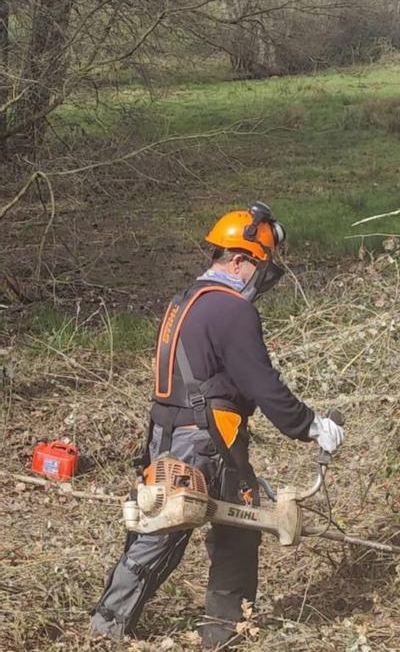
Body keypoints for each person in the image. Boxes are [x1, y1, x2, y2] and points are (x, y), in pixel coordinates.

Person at [91, 202, 345, 647]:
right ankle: (128, 630)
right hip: (206, 442)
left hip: (170, 433)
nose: (259, 281)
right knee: (176, 531)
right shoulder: (231, 310)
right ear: (240, 259)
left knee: (215, 527)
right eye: (259, 268)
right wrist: (310, 426)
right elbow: (262, 383)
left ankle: (186, 629)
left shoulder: (184, 301)